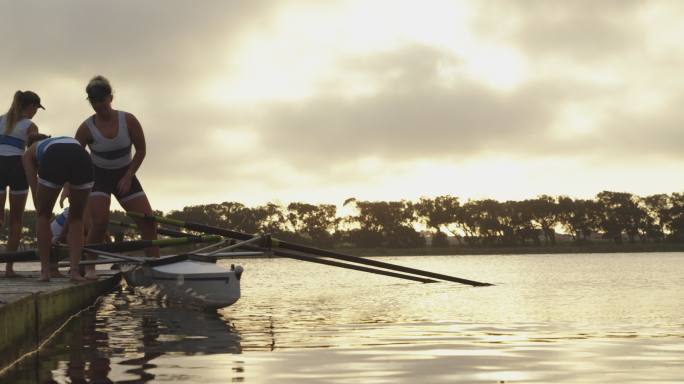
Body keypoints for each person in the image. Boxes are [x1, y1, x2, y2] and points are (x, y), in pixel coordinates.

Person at [75, 76, 158, 277]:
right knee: (100, 222)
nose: (98, 106)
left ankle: (156, 266)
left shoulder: (128, 120)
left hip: (125, 174)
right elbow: (75, 156)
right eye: (94, 102)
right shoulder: (86, 127)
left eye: (102, 101)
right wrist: (71, 186)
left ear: (110, 98)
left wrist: (129, 176)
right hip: (99, 177)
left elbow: (141, 150)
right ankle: (89, 265)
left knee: (148, 221)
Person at [23, 134, 93, 282]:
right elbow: (67, 170)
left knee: (42, 215)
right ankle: (74, 272)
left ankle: (45, 271)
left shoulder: (28, 154)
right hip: (83, 157)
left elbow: (34, 191)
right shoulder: (63, 142)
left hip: (55, 157)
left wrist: (42, 207)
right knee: (77, 218)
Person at [0, 91, 44, 277]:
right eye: (37, 109)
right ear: (32, 106)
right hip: (17, 167)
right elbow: (33, 156)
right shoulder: (30, 126)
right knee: (16, 221)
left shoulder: (1, 119)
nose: (36, 113)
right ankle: (9, 269)